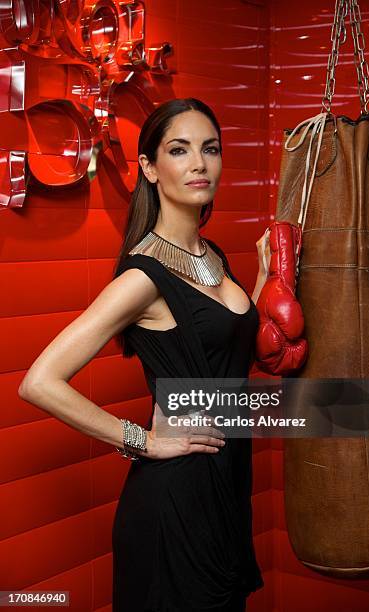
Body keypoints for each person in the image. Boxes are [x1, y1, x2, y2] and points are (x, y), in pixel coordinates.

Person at [18, 97, 270, 611]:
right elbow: (39, 381)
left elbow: (225, 354)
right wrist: (142, 441)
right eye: (179, 150)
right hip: (174, 503)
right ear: (150, 169)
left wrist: (267, 278)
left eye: (210, 149)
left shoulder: (212, 256)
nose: (199, 163)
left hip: (225, 492)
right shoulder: (142, 277)